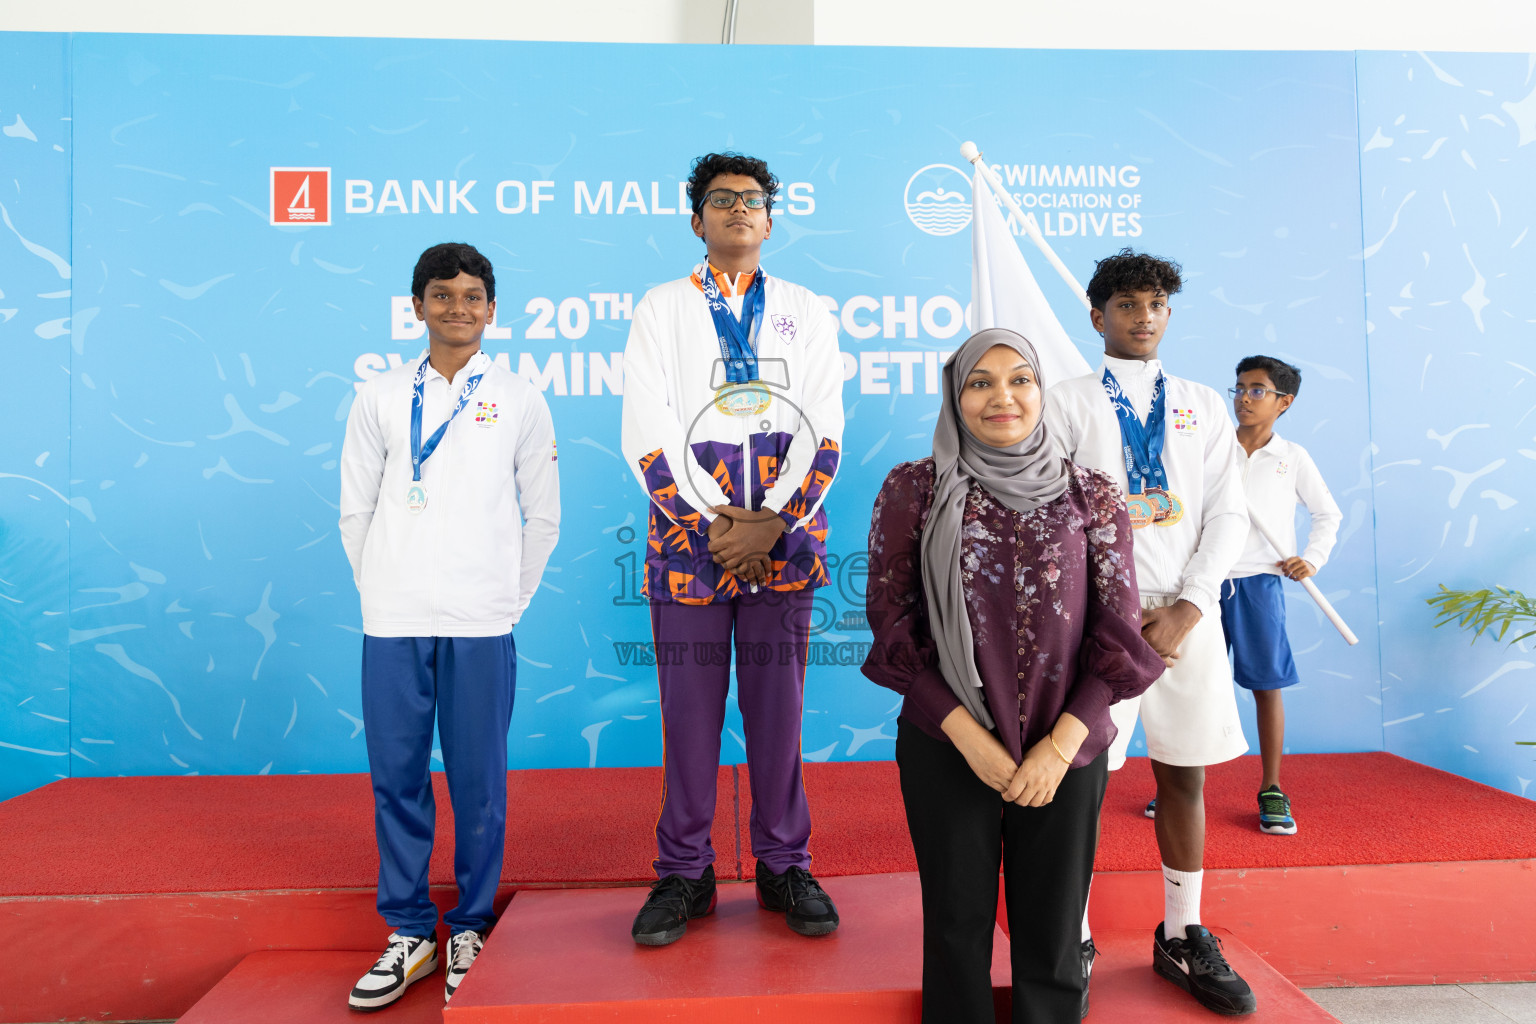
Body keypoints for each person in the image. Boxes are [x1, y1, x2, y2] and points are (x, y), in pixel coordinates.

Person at [863, 329, 1162, 1023]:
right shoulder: (916, 488)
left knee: (1054, 938)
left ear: (1041, 390)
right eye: (980, 382)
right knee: (956, 929)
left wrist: (1058, 749)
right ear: (955, 396)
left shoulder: (1093, 492)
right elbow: (895, 626)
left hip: (1067, 747)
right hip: (948, 743)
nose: (1003, 396)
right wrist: (969, 738)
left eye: (1020, 379)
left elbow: (1117, 636)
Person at [620, 152, 845, 946]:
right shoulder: (660, 309)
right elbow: (645, 427)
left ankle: (785, 863)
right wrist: (710, 524)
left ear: (770, 219)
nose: (739, 212)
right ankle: (686, 872)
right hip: (688, 543)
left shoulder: (807, 309)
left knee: (778, 714)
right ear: (697, 219)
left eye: (752, 201)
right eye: (722, 201)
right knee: (688, 717)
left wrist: (774, 523)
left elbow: (825, 424)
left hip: (784, 542)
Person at [338, 242, 560, 1009]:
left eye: (472, 297)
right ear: (417, 306)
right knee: (396, 780)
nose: (457, 309)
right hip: (392, 622)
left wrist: (506, 602)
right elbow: (354, 509)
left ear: (492, 310)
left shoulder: (522, 398)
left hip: (481, 622)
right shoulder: (376, 395)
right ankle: (409, 934)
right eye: (442, 295)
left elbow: (545, 516)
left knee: (478, 783)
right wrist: (385, 594)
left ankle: (469, 923)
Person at [1044, 249, 1258, 1015]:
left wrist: (1193, 606)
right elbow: (1052, 513)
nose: (1144, 317)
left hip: (1184, 613)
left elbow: (1228, 514)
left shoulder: (1200, 401)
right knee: (1078, 780)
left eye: (1157, 305)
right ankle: (1069, 932)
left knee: (1186, 773)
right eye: (1128, 305)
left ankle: (1181, 930)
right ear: (1096, 315)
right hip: (1099, 620)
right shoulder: (1064, 401)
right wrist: (1106, 606)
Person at [1222, 355, 1341, 835]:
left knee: (1265, 686)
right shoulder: (1211, 449)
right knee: (1188, 684)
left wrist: (1310, 558)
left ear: (1283, 402)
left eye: (1257, 390)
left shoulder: (1292, 458)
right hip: (1201, 583)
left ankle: (1271, 786)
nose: (1244, 398)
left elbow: (1327, 515)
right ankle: (1179, 779)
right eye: (1239, 388)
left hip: (1258, 582)